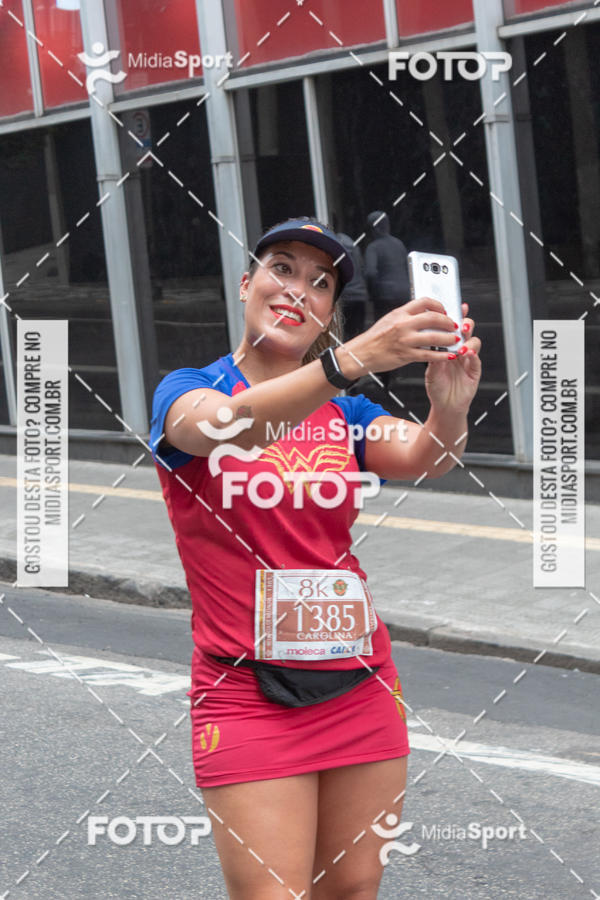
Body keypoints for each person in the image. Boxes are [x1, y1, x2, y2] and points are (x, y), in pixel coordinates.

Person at [150, 216, 481, 899]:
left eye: (321, 283)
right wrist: (349, 360)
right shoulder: (188, 389)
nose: (298, 289)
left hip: (360, 681)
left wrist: (450, 410)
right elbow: (226, 427)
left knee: (354, 889)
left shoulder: (348, 414)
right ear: (247, 285)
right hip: (245, 692)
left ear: (330, 311)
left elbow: (426, 455)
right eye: (283, 269)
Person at [364, 210, 410, 323]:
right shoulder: (399, 244)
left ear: (373, 229)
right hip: (404, 293)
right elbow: (407, 268)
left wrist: (371, 292)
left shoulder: (373, 247)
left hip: (384, 296)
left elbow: (371, 273)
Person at [336, 230, 369, 341]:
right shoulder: (355, 248)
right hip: (360, 295)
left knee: (345, 336)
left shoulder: (335, 248)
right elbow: (363, 269)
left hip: (346, 296)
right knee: (359, 334)